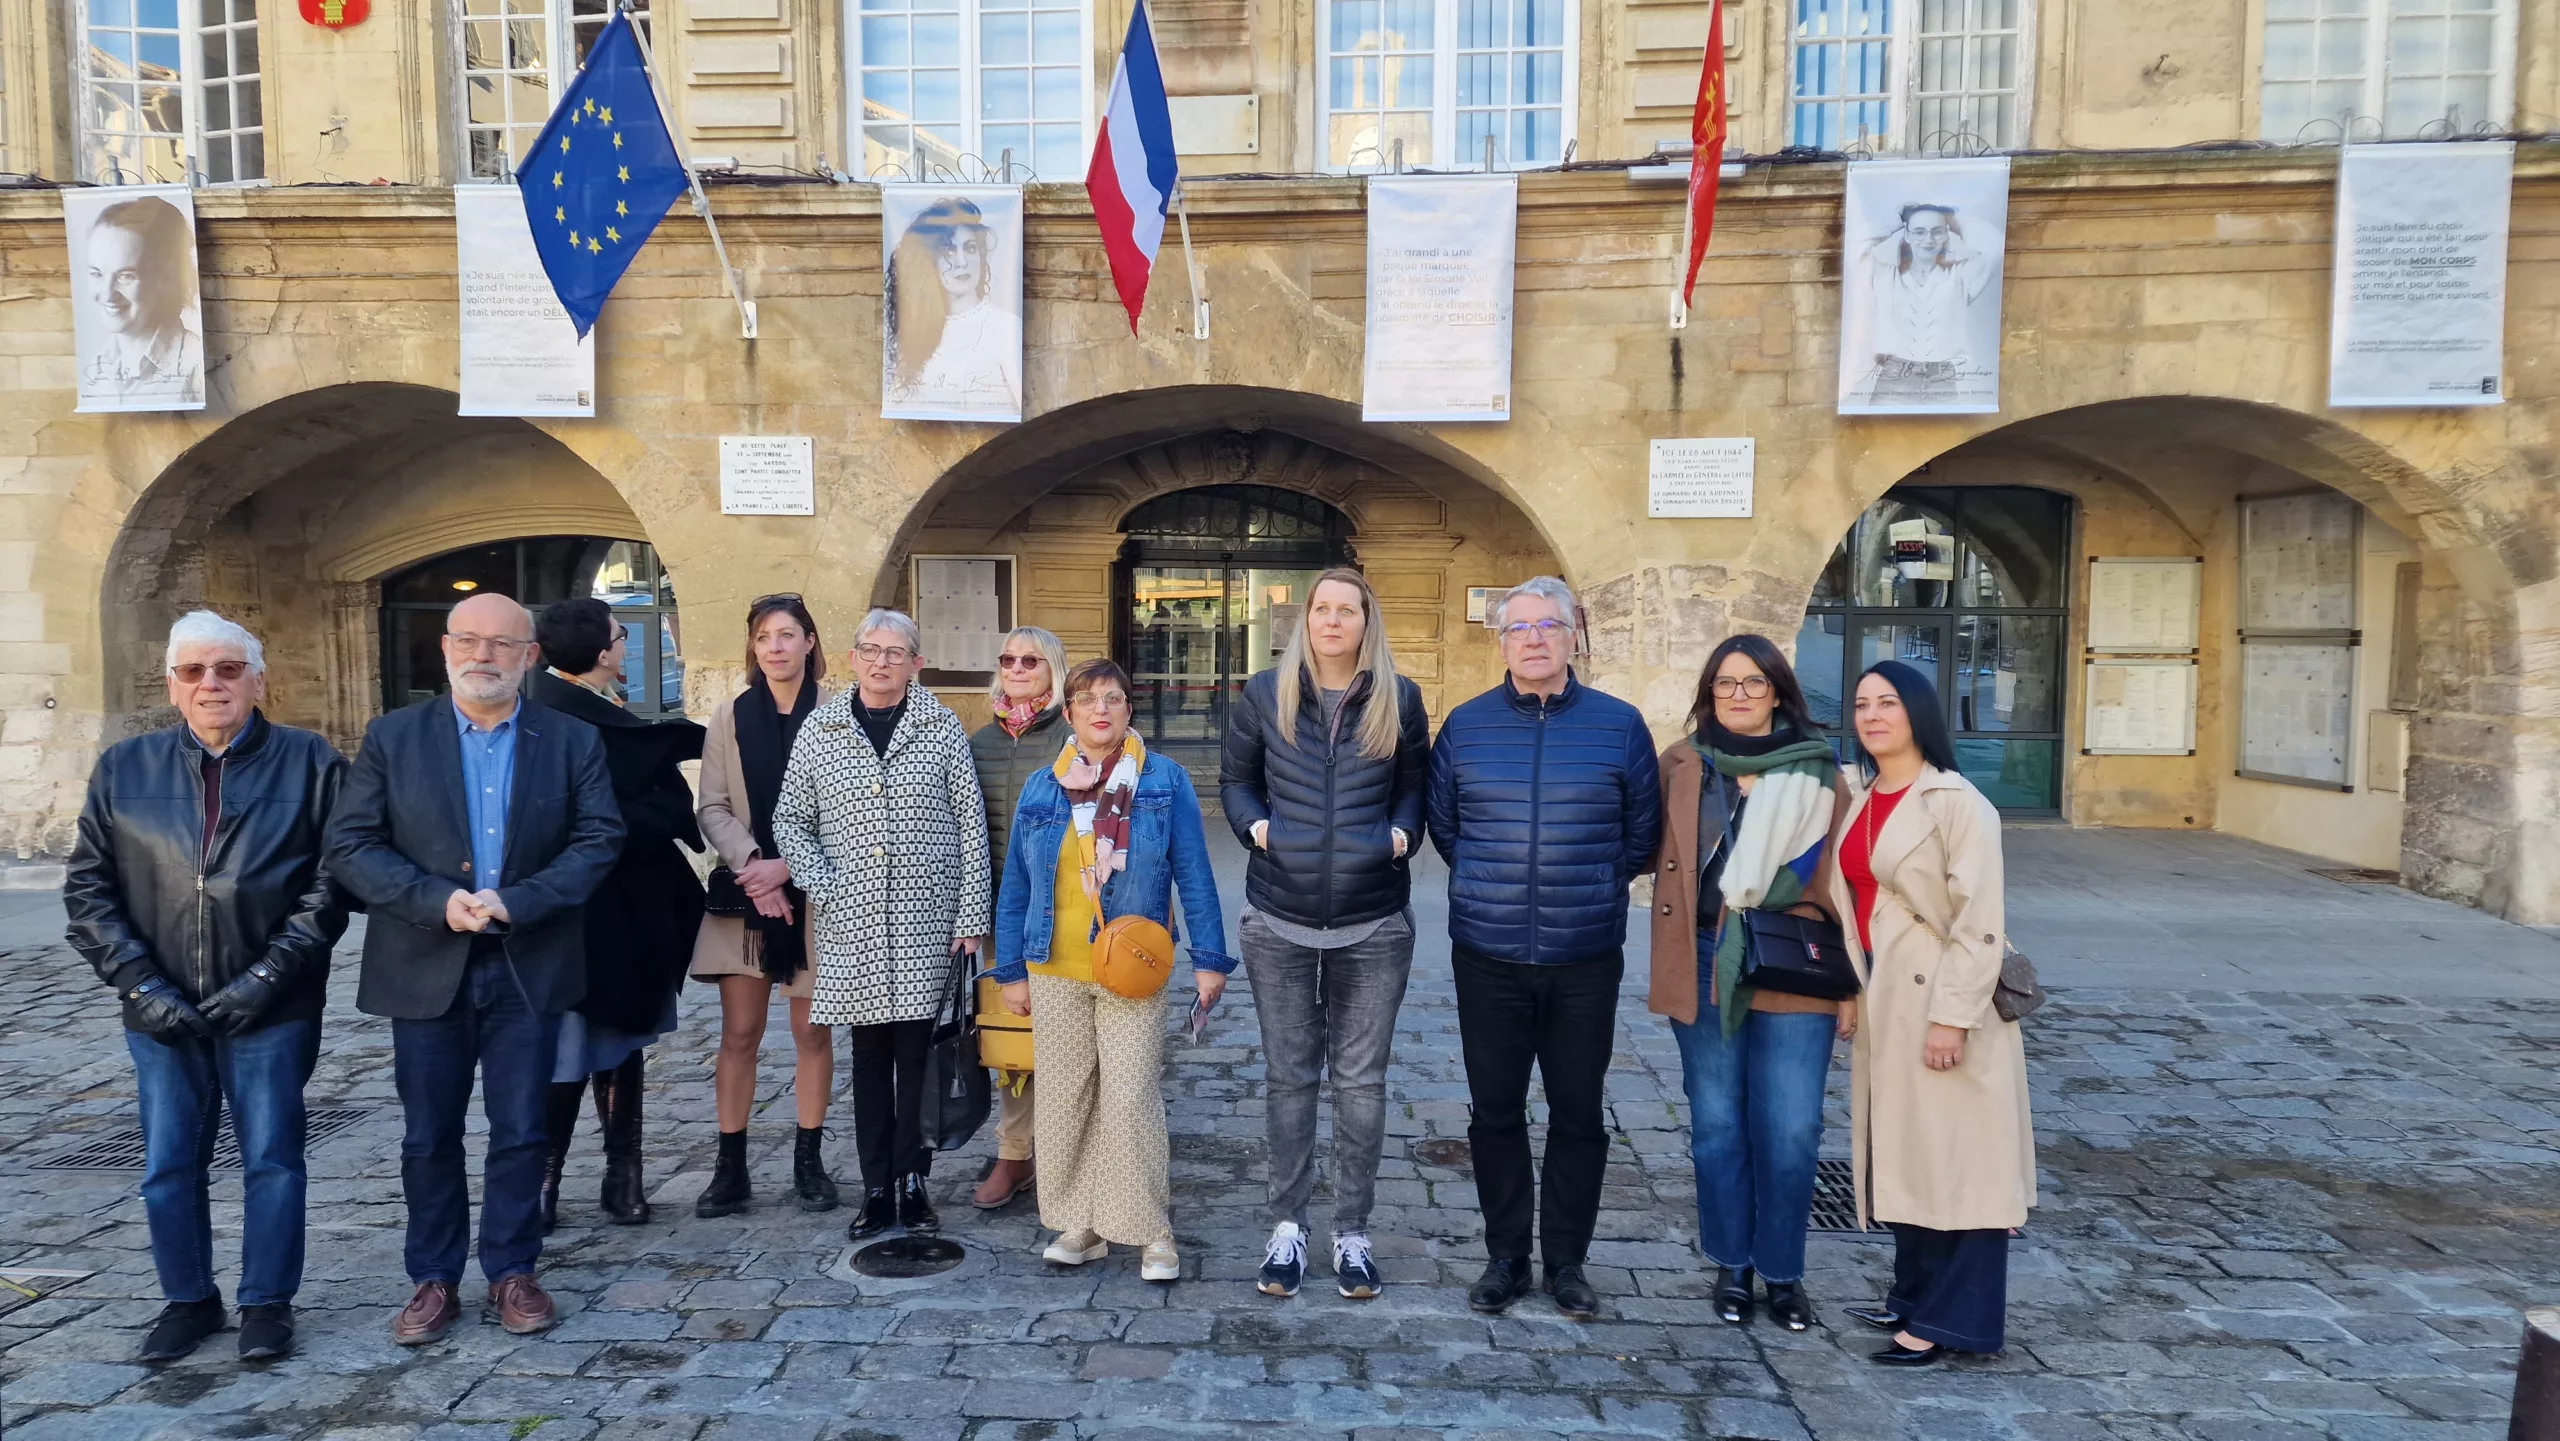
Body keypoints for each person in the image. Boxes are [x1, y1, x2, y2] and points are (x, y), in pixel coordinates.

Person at [326, 592, 624, 1345]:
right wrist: (435, 900)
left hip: (528, 962)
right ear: (446, 647)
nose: (482, 655)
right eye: (468, 639)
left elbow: (597, 839)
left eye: (501, 643)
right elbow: (353, 845)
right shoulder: (393, 737)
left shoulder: (569, 738)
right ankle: (432, 1278)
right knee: (429, 1132)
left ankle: (512, 1270)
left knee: (522, 1129)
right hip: (426, 961)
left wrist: (518, 900)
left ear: (529, 655)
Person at [64, 612, 347, 1364]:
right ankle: (188, 1298)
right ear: (172, 685)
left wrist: (266, 976)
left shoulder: (310, 761)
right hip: (160, 1008)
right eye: (194, 672)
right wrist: (141, 986)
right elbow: (88, 891)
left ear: (259, 679)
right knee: (167, 1162)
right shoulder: (125, 768)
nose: (211, 684)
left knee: (274, 1157)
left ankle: (266, 1303)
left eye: (227, 669)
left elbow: (331, 884)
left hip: (272, 1004)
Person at [1426, 576, 1661, 1321]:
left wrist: (1587, 886)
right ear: (1501, 642)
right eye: (1518, 626)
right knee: (1495, 1112)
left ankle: (1566, 1260)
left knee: (1578, 1112)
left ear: (1572, 636)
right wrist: (1497, 888)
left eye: (1547, 625)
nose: (1532, 637)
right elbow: (1446, 827)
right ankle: (1505, 1256)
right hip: (1489, 952)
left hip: (1584, 954)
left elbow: (1640, 836)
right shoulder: (1464, 726)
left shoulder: (1619, 726)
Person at [1219, 568, 1428, 1300]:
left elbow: (1414, 784)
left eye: (1349, 610)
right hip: (1278, 915)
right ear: (1304, 620)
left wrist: (1402, 834)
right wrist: (1258, 828)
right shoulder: (1263, 694)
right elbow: (1236, 780)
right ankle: (1287, 1226)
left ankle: (1352, 1233)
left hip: (1373, 920)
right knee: (1289, 1078)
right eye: (1323, 608)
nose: (1334, 620)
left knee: (1363, 1084)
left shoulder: (1398, 698)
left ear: (1367, 622)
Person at [991, 658, 1232, 1283]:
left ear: (1129, 710)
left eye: (1114, 698)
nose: (1101, 709)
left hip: (1132, 968)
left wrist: (1209, 959)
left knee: (1129, 1099)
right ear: (1068, 712)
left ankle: (1152, 1229)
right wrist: (1010, 969)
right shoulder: (1044, 786)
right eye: (1087, 699)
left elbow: (1195, 874)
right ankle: (1083, 1224)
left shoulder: (1164, 781)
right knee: (1067, 1099)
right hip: (1054, 968)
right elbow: (1015, 884)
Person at [1824, 659, 2034, 1367]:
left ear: (1919, 713)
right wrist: (1853, 992)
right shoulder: (1862, 795)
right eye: (1861, 704)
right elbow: (1857, 905)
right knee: (1906, 1152)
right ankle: (1911, 1293)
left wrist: (1952, 1016)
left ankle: (1953, 1320)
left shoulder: (1956, 800)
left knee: (1964, 1163)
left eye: (1888, 702)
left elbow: (1980, 920)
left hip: (1945, 999)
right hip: (1887, 996)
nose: (1873, 715)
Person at [1646, 634, 1853, 1334]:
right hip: (1704, 957)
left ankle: (1784, 1271)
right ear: (1709, 693)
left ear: (1778, 691)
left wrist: (1856, 982)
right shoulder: (1683, 764)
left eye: (1754, 682)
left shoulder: (1822, 772)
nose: (1738, 694)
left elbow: (1848, 882)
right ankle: (1732, 1263)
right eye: (1726, 683)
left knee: (1791, 1128)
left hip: (1797, 958)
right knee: (1716, 1125)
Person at [770, 608, 992, 1242]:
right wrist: (825, 884)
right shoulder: (822, 730)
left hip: (927, 918)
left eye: (897, 653)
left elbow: (969, 824)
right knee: (869, 1059)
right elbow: (792, 823)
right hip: (853, 922)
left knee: (918, 1057)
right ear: (852, 657)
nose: (882, 662)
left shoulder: (942, 728)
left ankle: (914, 1180)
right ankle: (876, 1186)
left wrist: (970, 912)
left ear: (915, 663)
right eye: (872, 650)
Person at [527, 598, 706, 1230]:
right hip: (579, 908)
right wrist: (654, 809)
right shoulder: (545, 715)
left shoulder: (597, 708)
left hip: (632, 905)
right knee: (572, 1041)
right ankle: (544, 1181)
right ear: (601, 651)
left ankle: (620, 1174)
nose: (626, 647)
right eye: (620, 637)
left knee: (623, 1036)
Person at [690, 595, 843, 1218]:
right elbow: (712, 806)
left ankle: (809, 1161)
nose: (775, 647)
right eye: (762, 637)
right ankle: (731, 1167)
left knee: (812, 1031)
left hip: (818, 898)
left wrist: (793, 867)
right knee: (740, 1032)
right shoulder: (729, 717)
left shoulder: (839, 715)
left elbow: (850, 809)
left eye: (787, 635)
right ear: (753, 649)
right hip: (747, 895)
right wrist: (756, 866)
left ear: (810, 642)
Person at [965, 625, 1071, 1210]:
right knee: (1012, 1042)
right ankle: (1014, 1154)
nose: (1018, 667)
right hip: (1001, 917)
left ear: (1053, 670)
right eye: (1008, 658)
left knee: (1069, 1041)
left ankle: (1066, 1150)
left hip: (1063, 914)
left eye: (1032, 659)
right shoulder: (977, 741)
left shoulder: (1071, 737)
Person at [887, 196, 1022, 415]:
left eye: (969, 249)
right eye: (948, 251)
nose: (961, 262)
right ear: (929, 260)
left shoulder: (1005, 328)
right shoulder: (913, 332)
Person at [1852, 202, 1996, 407]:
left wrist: (1952, 220)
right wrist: (1898, 221)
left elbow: (1995, 246)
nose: (1928, 240)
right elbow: (1854, 245)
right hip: (1894, 382)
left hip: (1943, 382)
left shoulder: (1961, 276)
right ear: (1907, 235)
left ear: (1946, 234)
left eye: (1936, 232)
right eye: (1919, 232)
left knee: (1952, 438)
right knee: (1882, 436)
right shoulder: (1884, 276)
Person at [80, 195, 203, 408]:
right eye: (97, 274)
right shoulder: (94, 369)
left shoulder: (196, 366)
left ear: (165, 277)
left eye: (125, 276)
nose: (107, 294)